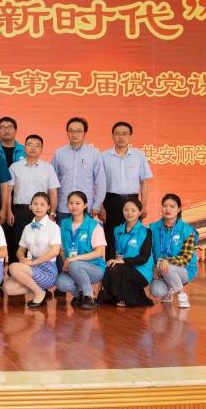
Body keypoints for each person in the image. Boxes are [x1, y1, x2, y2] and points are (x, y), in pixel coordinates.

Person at [101, 121, 154, 258]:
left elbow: (144, 182)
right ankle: (110, 267)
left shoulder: (139, 156)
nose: (121, 137)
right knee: (110, 235)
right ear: (112, 136)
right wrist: (100, 205)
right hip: (111, 201)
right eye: (117, 134)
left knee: (133, 236)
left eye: (125, 134)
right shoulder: (103, 156)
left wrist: (143, 206)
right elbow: (99, 183)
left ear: (130, 136)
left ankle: (132, 266)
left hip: (133, 201)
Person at [7, 134, 60, 262]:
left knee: (40, 243)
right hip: (20, 211)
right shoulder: (15, 167)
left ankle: (39, 268)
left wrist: (52, 214)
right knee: (18, 242)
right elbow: (8, 192)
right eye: (29, 144)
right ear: (24, 147)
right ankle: (17, 269)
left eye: (37, 145)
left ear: (42, 149)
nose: (33, 148)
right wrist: (9, 211)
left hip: (41, 211)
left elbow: (53, 193)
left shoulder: (48, 168)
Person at [5, 192, 61, 308]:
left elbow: (55, 251)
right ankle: (41, 290)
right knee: (8, 287)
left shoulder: (53, 227)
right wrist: (22, 258)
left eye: (42, 204)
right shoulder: (28, 227)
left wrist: (33, 262)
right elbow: (20, 251)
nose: (38, 207)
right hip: (31, 267)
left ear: (48, 207)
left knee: (13, 267)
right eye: (35, 204)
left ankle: (39, 292)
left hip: (47, 269)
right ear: (31, 206)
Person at [53, 191, 108, 310]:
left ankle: (90, 297)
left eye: (78, 203)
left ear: (85, 205)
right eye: (71, 203)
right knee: (61, 283)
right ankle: (80, 295)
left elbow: (99, 252)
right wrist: (66, 262)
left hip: (95, 268)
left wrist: (74, 259)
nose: (74, 206)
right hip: (73, 266)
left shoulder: (95, 225)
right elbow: (61, 250)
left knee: (74, 264)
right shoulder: (64, 224)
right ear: (67, 205)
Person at [98, 198, 154, 307]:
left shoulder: (146, 231)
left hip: (142, 270)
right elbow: (113, 253)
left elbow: (144, 258)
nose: (129, 213)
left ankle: (127, 297)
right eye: (126, 210)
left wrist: (123, 261)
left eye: (133, 210)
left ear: (139, 212)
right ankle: (117, 295)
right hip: (124, 266)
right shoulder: (117, 230)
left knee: (116, 269)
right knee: (111, 266)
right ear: (122, 211)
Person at [149, 194, 198, 309]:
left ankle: (182, 295)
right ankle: (169, 290)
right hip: (160, 268)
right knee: (156, 291)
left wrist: (168, 261)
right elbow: (149, 252)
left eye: (172, 206)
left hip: (183, 269)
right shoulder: (152, 228)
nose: (168, 209)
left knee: (169, 267)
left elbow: (186, 258)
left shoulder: (187, 230)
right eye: (165, 206)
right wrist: (154, 266)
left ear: (179, 209)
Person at [52, 117, 106, 222]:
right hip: (63, 207)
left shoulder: (94, 153)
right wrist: (52, 207)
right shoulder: (58, 153)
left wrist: (97, 204)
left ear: (85, 132)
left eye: (78, 131)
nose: (74, 134)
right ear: (67, 133)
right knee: (64, 232)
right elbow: (52, 183)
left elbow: (100, 181)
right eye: (71, 131)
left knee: (84, 233)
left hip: (86, 207)